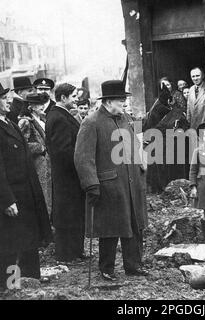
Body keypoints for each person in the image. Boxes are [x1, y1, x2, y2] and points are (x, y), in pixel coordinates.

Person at [0, 80, 52, 293]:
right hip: (8, 198)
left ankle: (25, 280)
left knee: (24, 239)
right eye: (4, 98)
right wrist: (6, 200)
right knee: (7, 242)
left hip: (23, 194)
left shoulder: (9, 124)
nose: (9, 102)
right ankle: (1, 284)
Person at [74, 80, 149, 281]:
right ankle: (106, 268)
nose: (124, 104)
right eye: (120, 100)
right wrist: (91, 183)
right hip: (108, 185)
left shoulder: (124, 118)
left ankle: (133, 265)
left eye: (124, 100)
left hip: (131, 183)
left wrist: (141, 164)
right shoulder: (91, 122)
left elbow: (134, 144)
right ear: (108, 102)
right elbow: (83, 157)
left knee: (133, 224)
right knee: (110, 228)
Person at [45, 83, 86, 263]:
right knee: (67, 214)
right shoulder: (59, 118)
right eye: (73, 96)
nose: (76, 99)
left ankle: (75, 251)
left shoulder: (61, 115)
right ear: (63, 98)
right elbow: (63, 151)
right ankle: (66, 254)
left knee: (74, 213)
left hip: (67, 176)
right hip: (67, 177)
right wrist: (79, 165)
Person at [18, 93, 52, 216]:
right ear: (30, 106)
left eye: (42, 103)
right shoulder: (25, 122)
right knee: (43, 195)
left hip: (46, 162)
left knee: (48, 193)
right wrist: (41, 147)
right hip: (37, 163)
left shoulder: (41, 118)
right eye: (38, 104)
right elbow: (22, 144)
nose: (41, 106)